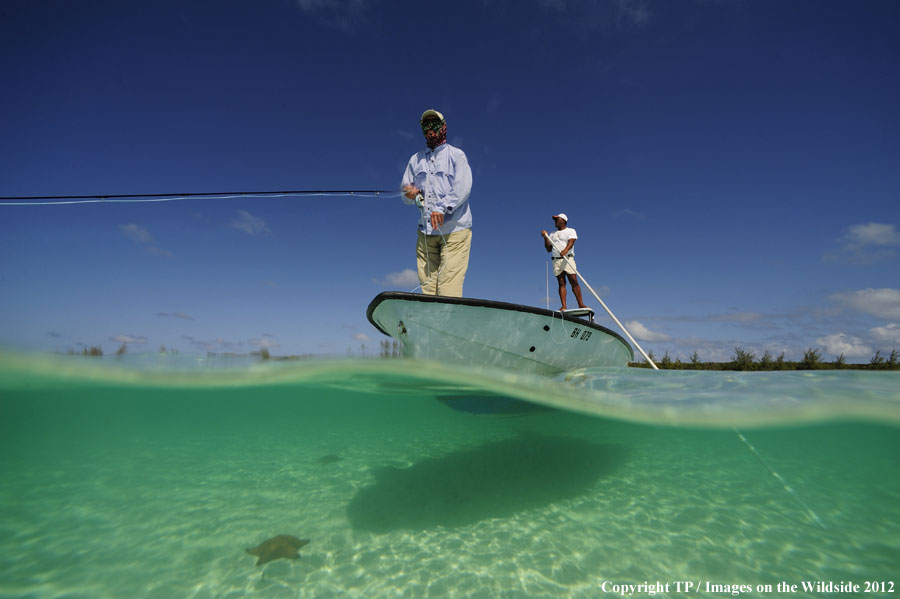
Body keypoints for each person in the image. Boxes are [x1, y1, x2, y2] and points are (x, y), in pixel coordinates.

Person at [400, 109, 473, 297]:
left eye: (434, 124)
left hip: (455, 231)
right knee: (428, 291)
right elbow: (405, 192)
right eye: (426, 125)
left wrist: (441, 208)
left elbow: (462, 187)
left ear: (443, 127)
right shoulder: (414, 160)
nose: (430, 129)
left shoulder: (457, 156)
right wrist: (409, 194)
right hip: (425, 233)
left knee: (448, 289)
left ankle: (451, 322)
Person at [541, 213, 587, 311]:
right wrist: (545, 238)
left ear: (563, 220)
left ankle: (581, 304)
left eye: (557, 219)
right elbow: (548, 249)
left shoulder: (570, 230)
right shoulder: (552, 234)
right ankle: (564, 306)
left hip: (568, 258)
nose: (555, 221)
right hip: (556, 260)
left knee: (573, 280)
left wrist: (566, 250)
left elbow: (571, 241)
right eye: (555, 220)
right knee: (561, 282)